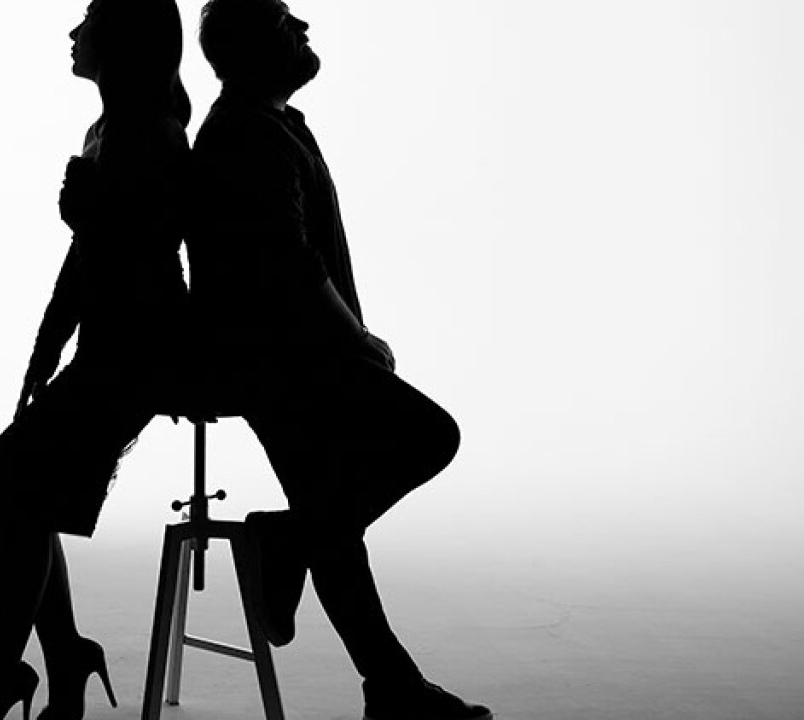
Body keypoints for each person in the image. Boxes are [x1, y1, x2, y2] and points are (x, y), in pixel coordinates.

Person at [187, 1, 493, 719]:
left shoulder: (273, 124)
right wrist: (356, 338)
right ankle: (286, 539)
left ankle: (392, 687)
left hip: (288, 359)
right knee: (429, 437)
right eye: (284, 22)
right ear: (252, 47)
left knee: (331, 521)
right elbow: (289, 260)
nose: (302, 29)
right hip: (287, 362)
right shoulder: (245, 131)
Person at [0, 1, 192, 719]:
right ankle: (62, 655)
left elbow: (142, 254)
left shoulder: (152, 133)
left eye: (87, 17)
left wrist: (91, 218)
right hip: (108, 349)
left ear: (120, 39)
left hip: (138, 350)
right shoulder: (107, 130)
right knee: (18, 492)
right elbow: (84, 255)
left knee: (12, 489)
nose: (72, 31)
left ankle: (4, 678)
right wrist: (46, 347)